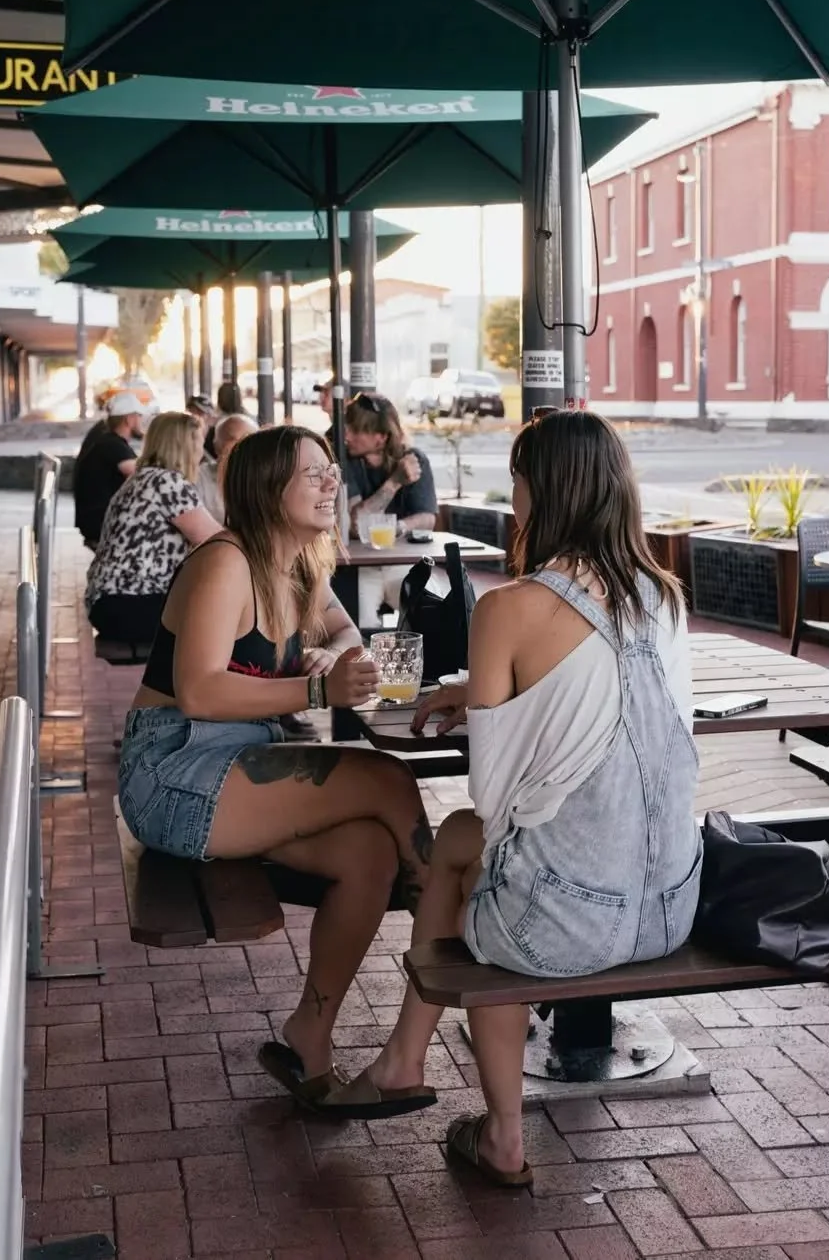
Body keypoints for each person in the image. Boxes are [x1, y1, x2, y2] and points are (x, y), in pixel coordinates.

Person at [322, 410, 702, 1185]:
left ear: (543, 492)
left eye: (519, 478)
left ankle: (490, 1126)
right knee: (463, 845)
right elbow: (631, 719)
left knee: (477, 860)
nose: (514, 495)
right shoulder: (662, 596)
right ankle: (405, 1060)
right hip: (672, 902)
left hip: (574, 924)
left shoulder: (508, 608)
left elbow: (495, 797)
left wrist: (495, 701)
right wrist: (493, 695)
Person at [116, 424, 434, 1104]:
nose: (331, 481)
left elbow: (345, 630)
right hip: (173, 768)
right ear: (267, 489)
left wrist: (328, 655)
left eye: (330, 469)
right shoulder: (225, 562)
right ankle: (452, 928)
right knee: (388, 779)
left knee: (369, 853)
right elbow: (199, 690)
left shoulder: (301, 565)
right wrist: (317, 691)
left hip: (243, 758)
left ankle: (308, 1035)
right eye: (312, 472)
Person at [86, 411, 220, 644]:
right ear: (185, 445)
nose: (202, 452)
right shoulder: (167, 483)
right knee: (223, 616)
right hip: (129, 603)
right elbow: (217, 540)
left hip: (110, 600)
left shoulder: (144, 477)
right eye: (200, 442)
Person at [344, 393, 438, 626]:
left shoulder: (414, 459)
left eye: (355, 430)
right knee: (356, 625)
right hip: (359, 568)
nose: (346, 435)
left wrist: (399, 526)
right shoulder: (346, 461)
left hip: (403, 563)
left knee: (432, 613)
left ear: (381, 437)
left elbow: (428, 518)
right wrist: (394, 482)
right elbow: (355, 525)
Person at [73, 393, 144, 549]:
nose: (141, 420)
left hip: (98, 522)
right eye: (139, 416)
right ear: (129, 419)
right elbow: (142, 475)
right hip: (104, 525)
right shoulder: (112, 445)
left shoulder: (107, 440)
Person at [197, 413, 259, 523]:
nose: (241, 445)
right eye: (233, 439)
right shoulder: (199, 477)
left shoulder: (268, 478)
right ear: (216, 445)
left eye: (247, 439)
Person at [187, 393, 219, 460]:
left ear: (210, 416)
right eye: (192, 411)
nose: (194, 415)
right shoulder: (184, 435)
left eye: (200, 412)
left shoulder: (217, 436)